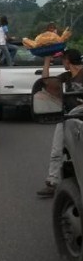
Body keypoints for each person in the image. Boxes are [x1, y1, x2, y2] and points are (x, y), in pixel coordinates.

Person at [36, 48, 83, 198]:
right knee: (56, 150)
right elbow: (46, 84)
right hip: (67, 117)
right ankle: (52, 182)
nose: (63, 62)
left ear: (68, 60)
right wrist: (46, 62)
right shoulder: (66, 76)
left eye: (63, 60)